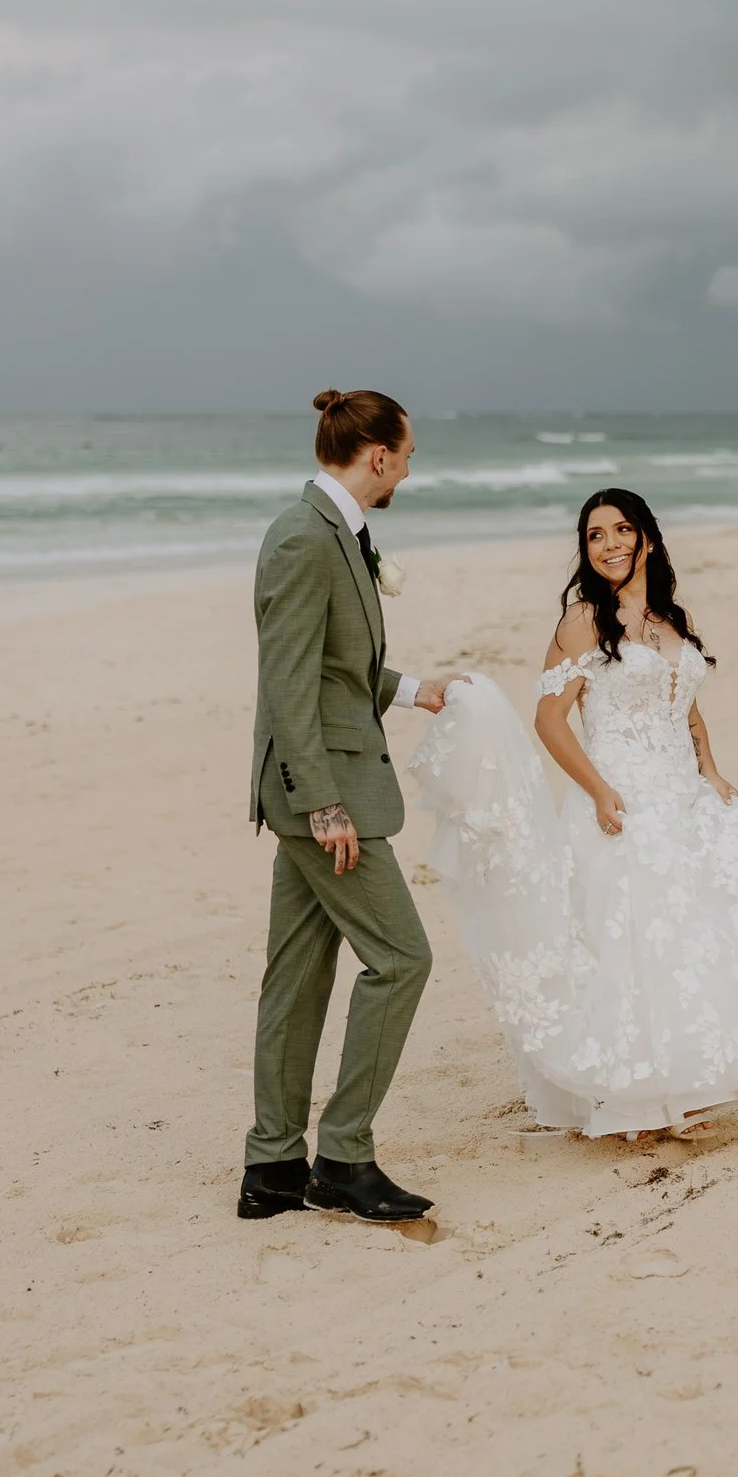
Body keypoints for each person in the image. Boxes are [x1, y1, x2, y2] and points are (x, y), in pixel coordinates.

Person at [408, 489, 738, 1140]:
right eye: (596, 534)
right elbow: (549, 719)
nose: (611, 543)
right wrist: (597, 789)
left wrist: (711, 768)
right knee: (633, 947)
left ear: (648, 537)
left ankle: (688, 1085)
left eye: (623, 529)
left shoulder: (675, 616)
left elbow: (688, 706)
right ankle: (638, 1102)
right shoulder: (583, 620)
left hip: (683, 797)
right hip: (624, 800)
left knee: (688, 937)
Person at [237, 390, 461, 1223]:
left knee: (295, 979)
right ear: (377, 455)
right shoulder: (303, 538)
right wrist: (324, 803)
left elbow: (338, 666)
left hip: (319, 782)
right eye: (407, 453)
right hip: (323, 793)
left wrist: (413, 690)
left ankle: (272, 1170)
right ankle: (343, 1156)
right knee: (403, 960)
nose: (410, 467)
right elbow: (286, 679)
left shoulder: (341, 534)